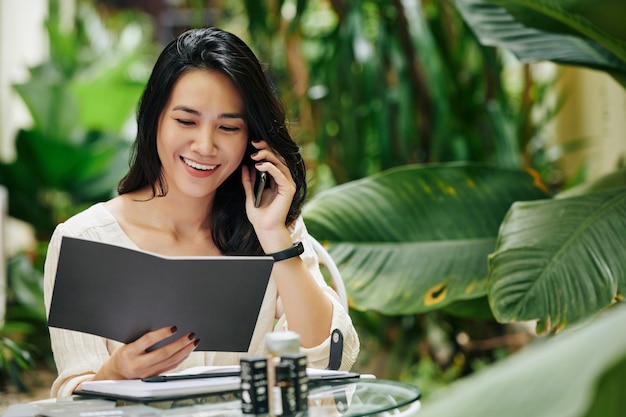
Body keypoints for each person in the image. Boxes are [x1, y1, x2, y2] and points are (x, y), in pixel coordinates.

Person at [43, 27, 359, 398]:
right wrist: (116, 371)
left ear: (251, 139)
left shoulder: (268, 227)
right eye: (186, 121)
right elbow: (72, 397)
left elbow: (327, 361)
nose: (205, 145)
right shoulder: (85, 239)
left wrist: (276, 237)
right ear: (154, 119)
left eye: (228, 127)